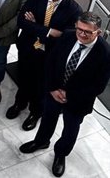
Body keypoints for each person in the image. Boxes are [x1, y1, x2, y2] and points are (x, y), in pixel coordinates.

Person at [19, 12, 110, 177]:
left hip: (78, 101)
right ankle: (41, 142)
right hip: (54, 92)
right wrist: (53, 88)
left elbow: (98, 86)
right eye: (79, 29)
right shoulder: (68, 36)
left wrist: (70, 96)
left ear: (98, 32)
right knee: (47, 118)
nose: (81, 34)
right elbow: (51, 62)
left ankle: (60, 154)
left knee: (70, 130)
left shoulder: (105, 53)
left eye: (87, 32)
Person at [6, 0, 82, 132]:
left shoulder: (74, 10)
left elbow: (65, 39)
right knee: (24, 76)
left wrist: (35, 25)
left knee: (41, 84)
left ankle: (35, 112)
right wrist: (48, 31)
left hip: (50, 55)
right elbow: (21, 22)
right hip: (28, 47)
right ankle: (20, 102)